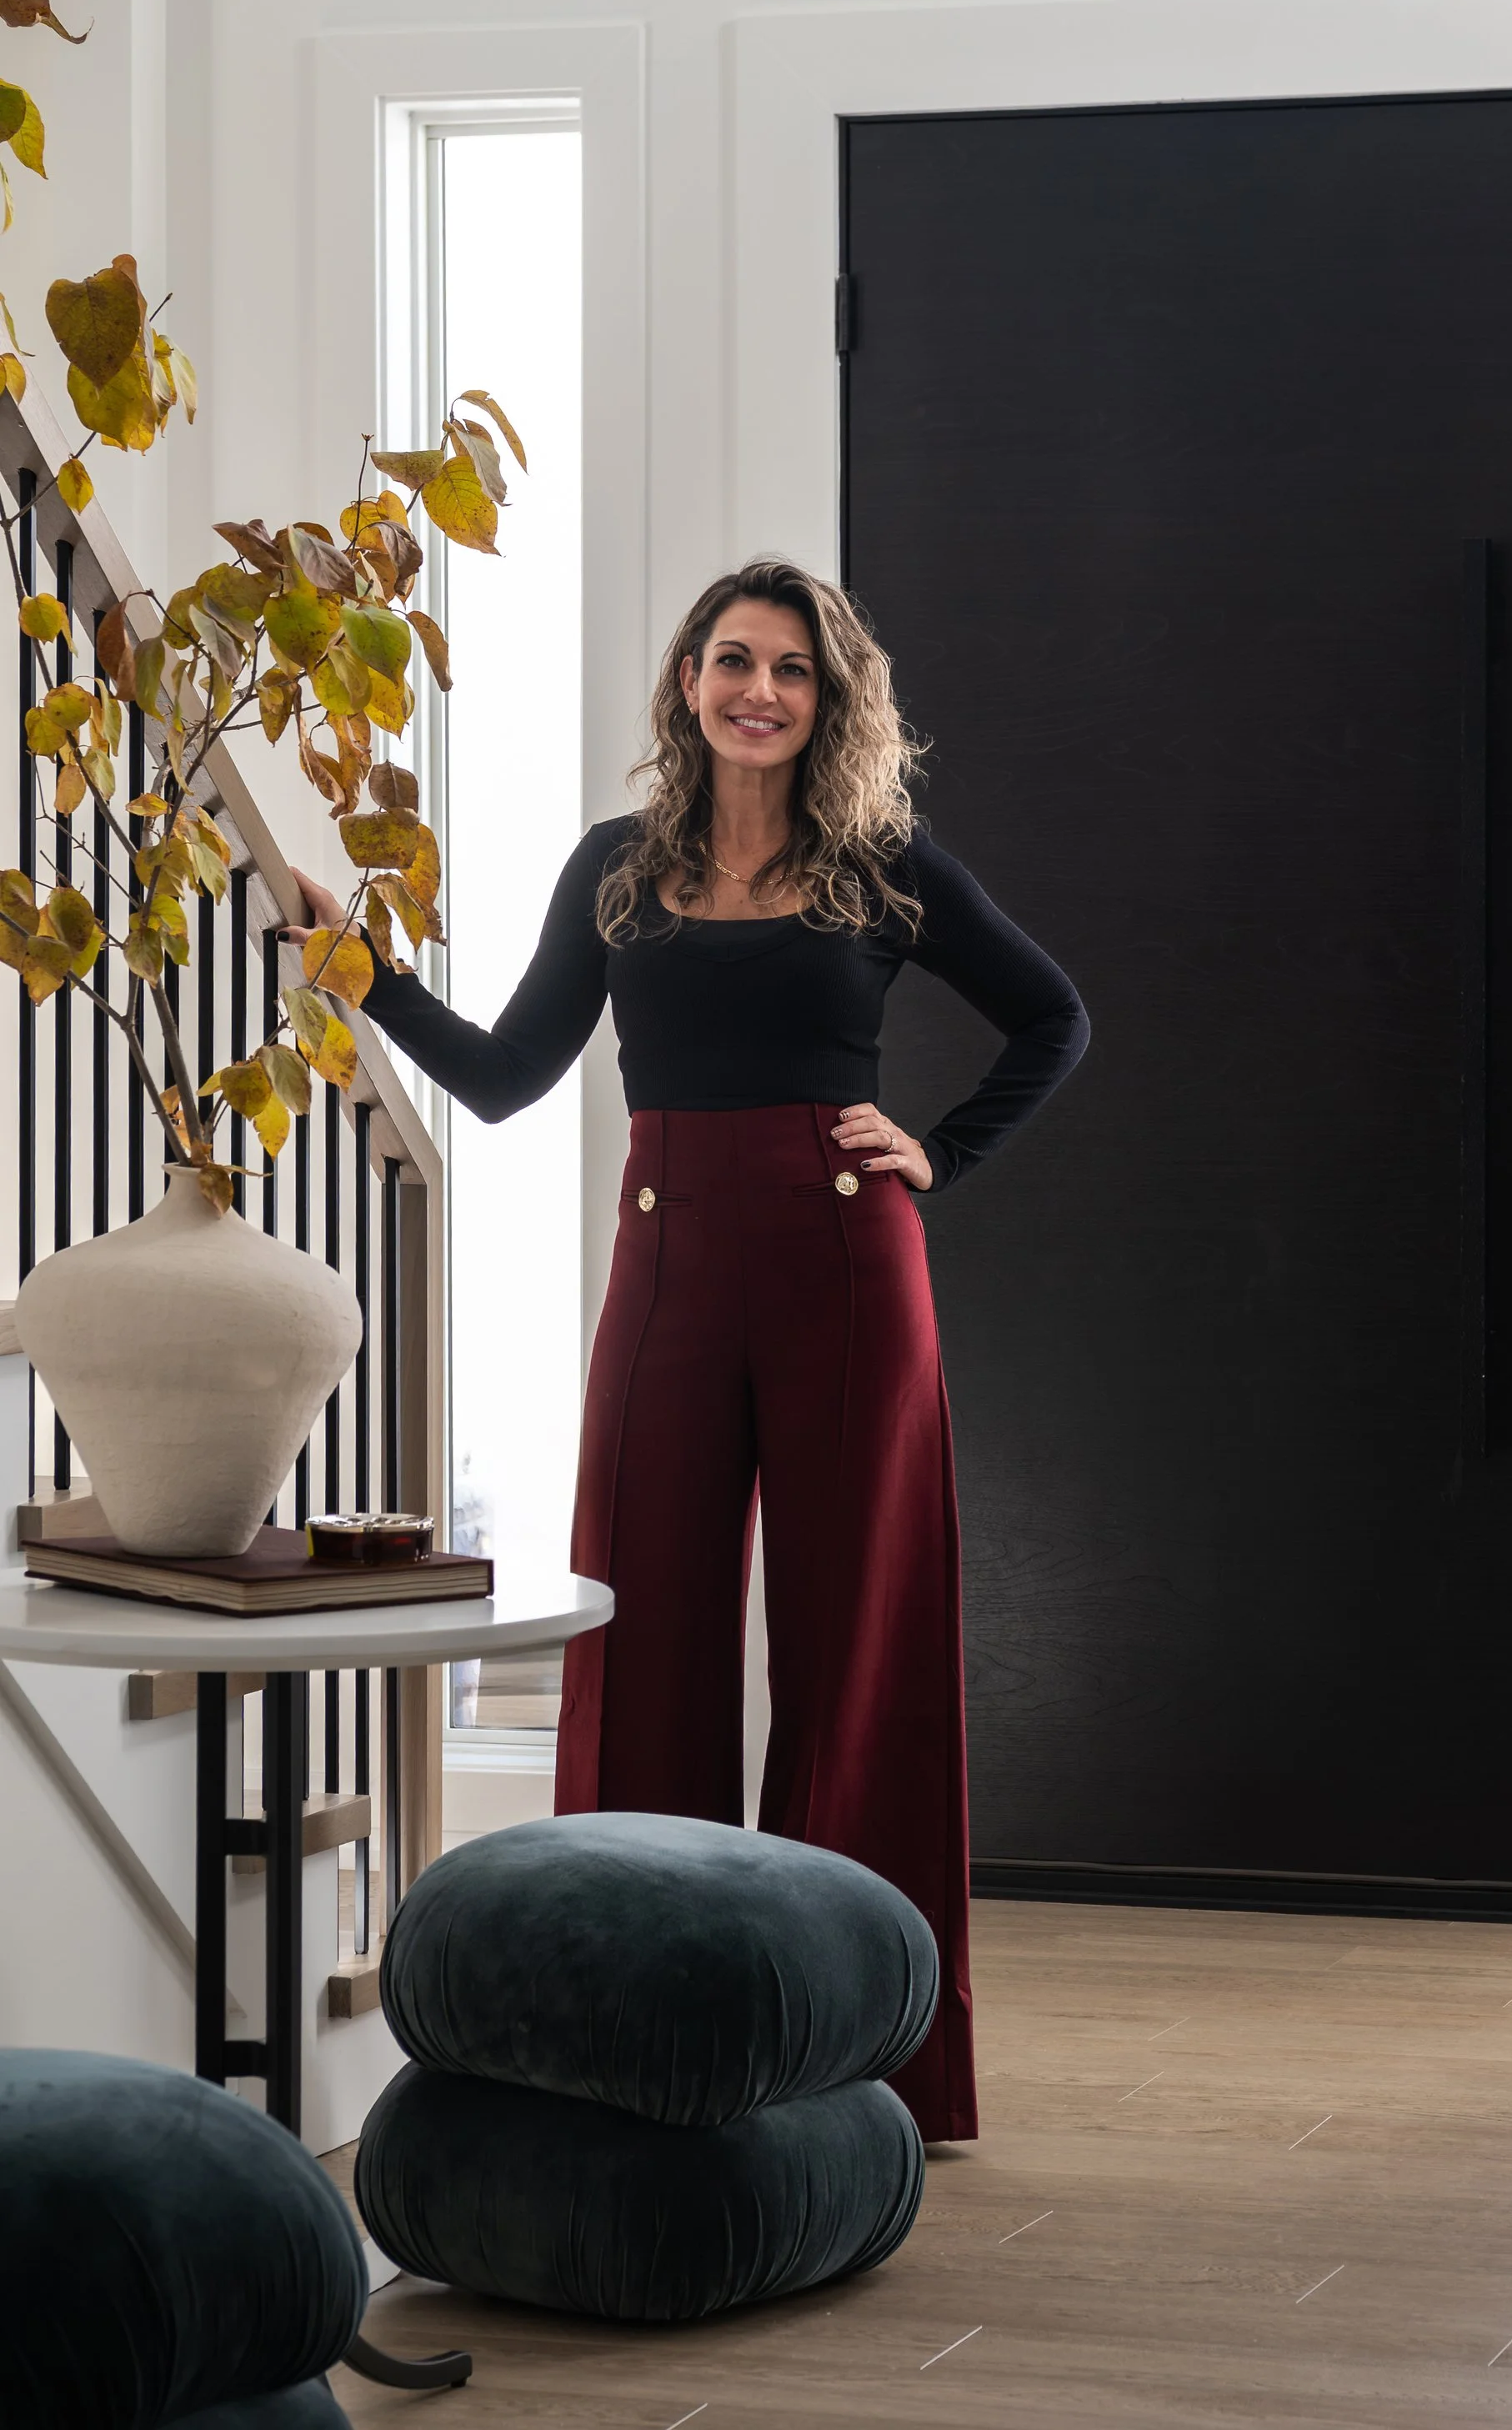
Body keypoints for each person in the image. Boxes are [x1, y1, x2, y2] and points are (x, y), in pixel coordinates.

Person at [293, 559, 1085, 2144]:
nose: (761, 691)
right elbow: (512, 1074)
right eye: (735, 660)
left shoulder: (880, 866)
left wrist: (939, 1151)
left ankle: (869, 2050)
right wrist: (364, 978)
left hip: (850, 1261)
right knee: (635, 1623)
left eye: (794, 670)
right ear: (688, 682)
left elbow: (1052, 1015)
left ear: (829, 699)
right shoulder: (617, 871)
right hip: (664, 1256)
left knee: (860, 1640)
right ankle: (632, 2030)